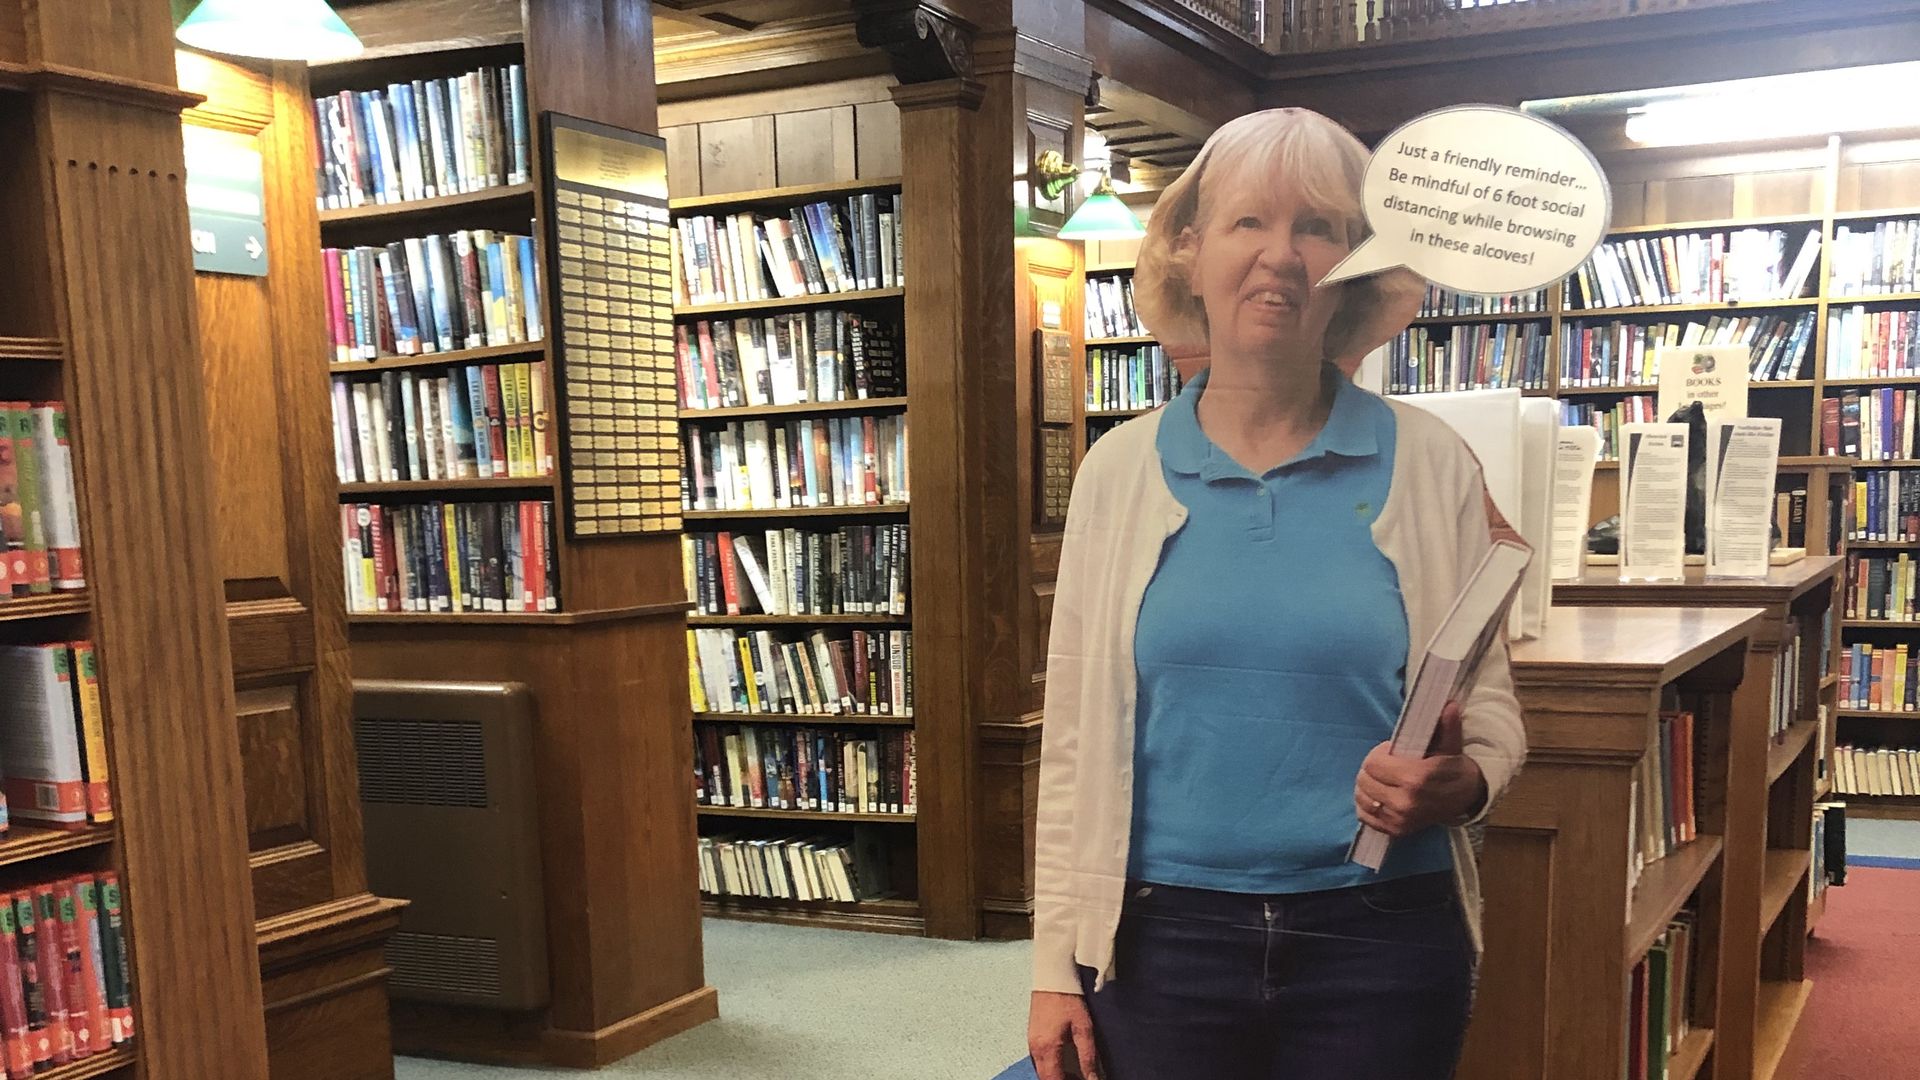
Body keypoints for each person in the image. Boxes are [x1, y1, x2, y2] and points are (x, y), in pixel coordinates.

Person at [1027, 108, 1528, 1080]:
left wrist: (1464, 783)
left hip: (1381, 941)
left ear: (1353, 263)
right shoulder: (1116, 472)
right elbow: (1074, 741)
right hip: (1158, 941)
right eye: (1249, 221)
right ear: (1188, 246)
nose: (1283, 256)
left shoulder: (1431, 464)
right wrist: (1055, 964)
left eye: (1319, 228)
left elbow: (1495, 704)